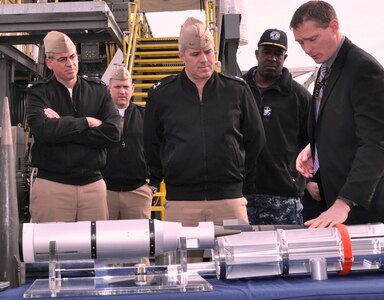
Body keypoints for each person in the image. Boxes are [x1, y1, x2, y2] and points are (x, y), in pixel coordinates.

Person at [144, 17, 265, 260]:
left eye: (208, 52)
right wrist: (166, 173)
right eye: (196, 53)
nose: (204, 59)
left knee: (237, 268)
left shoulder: (237, 91)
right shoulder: (161, 95)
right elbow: (152, 144)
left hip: (229, 200)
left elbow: (256, 139)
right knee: (183, 275)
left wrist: (238, 174)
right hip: (181, 204)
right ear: (181, 55)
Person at [290, 1, 384, 228]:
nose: (307, 49)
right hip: (336, 204)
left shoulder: (364, 70)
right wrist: (316, 147)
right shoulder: (325, 69)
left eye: (313, 39)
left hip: (368, 211)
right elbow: (341, 120)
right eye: (301, 43)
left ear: (334, 26)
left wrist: (345, 202)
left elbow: (378, 144)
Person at [26, 31, 121, 223]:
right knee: (50, 249)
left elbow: (113, 133)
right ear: (49, 62)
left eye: (73, 57)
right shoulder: (39, 93)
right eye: (62, 59)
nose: (70, 63)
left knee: (95, 249)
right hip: (53, 187)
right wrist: (87, 122)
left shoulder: (98, 90)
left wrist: (62, 125)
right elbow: (44, 132)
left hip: (93, 187)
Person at [242, 28, 311, 225]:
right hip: (240, 195)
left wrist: (310, 181)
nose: (272, 58)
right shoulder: (238, 91)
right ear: (257, 54)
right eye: (267, 52)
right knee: (238, 254)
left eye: (278, 54)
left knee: (286, 255)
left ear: (285, 57)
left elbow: (313, 144)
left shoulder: (300, 97)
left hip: (284, 197)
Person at [102, 65, 153, 220]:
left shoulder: (146, 117)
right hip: (105, 192)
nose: (122, 91)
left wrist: (154, 183)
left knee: (139, 241)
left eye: (126, 87)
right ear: (108, 87)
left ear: (133, 88)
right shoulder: (99, 117)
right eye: (117, 87)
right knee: (105, 241)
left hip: (137, 192)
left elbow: (158, 149)